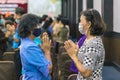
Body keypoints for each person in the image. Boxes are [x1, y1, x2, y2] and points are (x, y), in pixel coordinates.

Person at [64, 9, 106, 80]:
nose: (79, 24)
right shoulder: (88, 39)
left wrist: (74, 56)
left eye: (81, 21)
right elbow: (84, 61)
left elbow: (86, 73)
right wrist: (77, 52)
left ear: (89, 24)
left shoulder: (93, 44)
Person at [18, 14, 52, 80]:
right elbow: (48, 70)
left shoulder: (26, 42)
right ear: (31, 29)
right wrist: (47, 51)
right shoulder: (31, 47)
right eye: (37, 25)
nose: (39, 27)